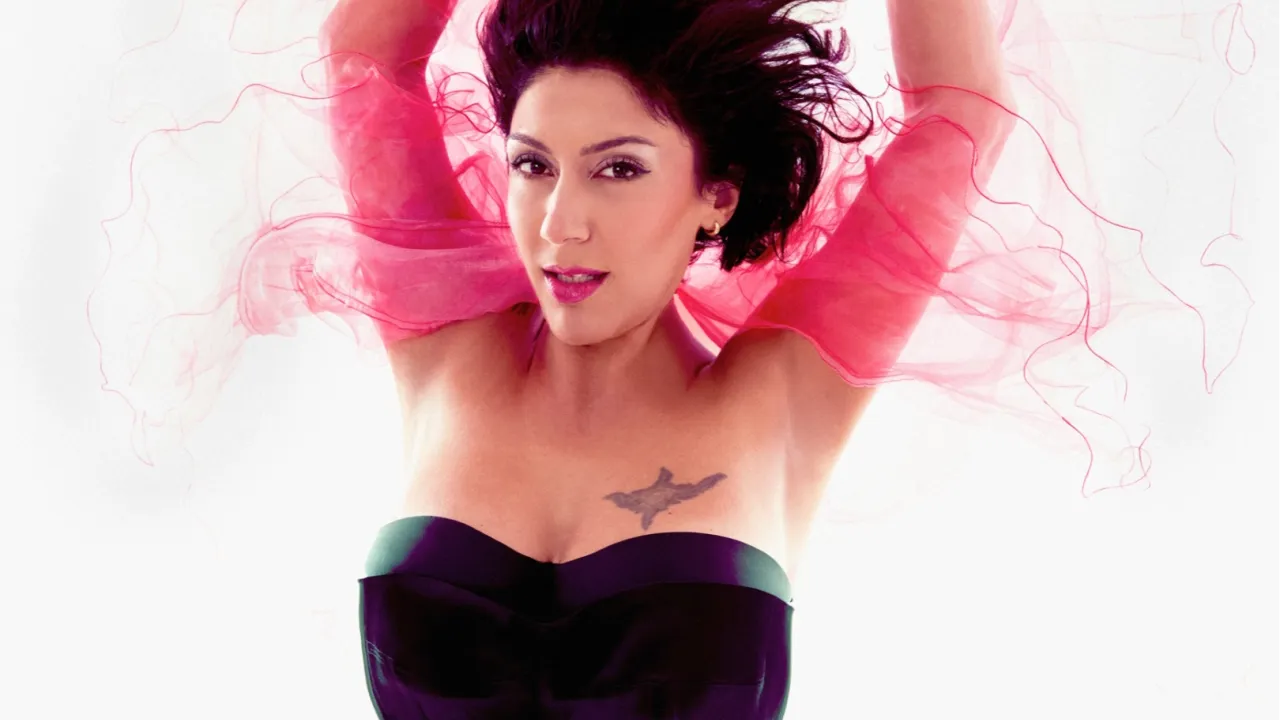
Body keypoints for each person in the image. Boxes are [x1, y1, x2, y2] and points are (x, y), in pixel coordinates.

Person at [90, 0, 1255, 717]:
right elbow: (366, 58)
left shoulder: (780, 392)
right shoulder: (444, 347)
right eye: (532, 166)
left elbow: (958, 109)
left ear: (715, 197)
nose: (560, 224)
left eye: (618, 169)